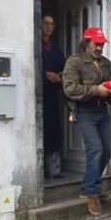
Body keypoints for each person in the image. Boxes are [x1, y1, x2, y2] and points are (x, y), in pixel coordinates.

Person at [62, 27, 111, 216]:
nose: (100, 47)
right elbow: (70, 89)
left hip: (101, 111)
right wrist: (96, 90)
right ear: (86, 42)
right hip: (84, 112)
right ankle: (93, 194)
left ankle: (87, 187)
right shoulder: (74, 62)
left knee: (105, 152)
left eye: (102, 44)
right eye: (96, 44)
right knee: (95, 149)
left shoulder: (106, 64)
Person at [41, 14, 66, 179]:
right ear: (40, 25)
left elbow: (65, 68)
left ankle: (54, 171)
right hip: (38, 95)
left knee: (53, 131)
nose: (49, 27)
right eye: (46, 23)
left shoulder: (57, 50)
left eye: (52, 24)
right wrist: (45, 74)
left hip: (53, 95)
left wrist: (62, 75)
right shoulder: (35, 45)